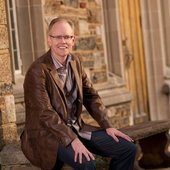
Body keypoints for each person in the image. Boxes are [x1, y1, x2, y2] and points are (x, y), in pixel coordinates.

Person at [20, 17, 136, 170]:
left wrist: (107, 125)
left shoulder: (75, 62)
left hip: (77, 128)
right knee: (87, 163)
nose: (63, 41)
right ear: (49, 40)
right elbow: (44, 113)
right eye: (58, 37)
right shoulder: (37, 70)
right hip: (47, 134)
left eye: (67, 37)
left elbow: (91, 95)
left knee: (127, 149)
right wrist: (71, 139)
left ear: (73, 40)